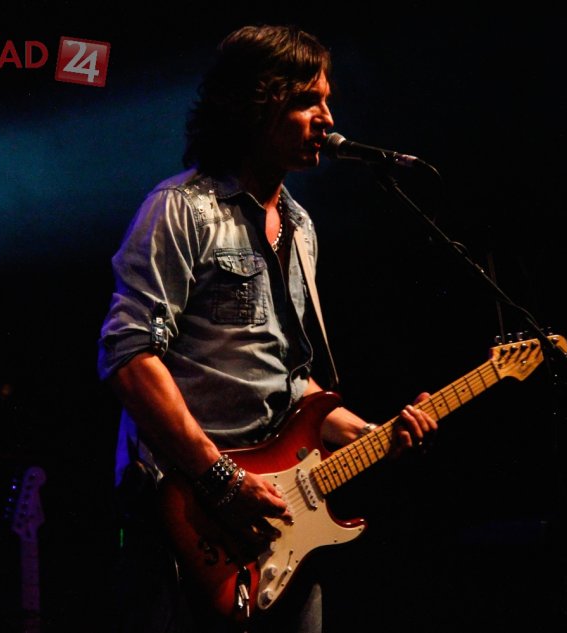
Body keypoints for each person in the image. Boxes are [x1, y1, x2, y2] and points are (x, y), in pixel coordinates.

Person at [97, 24, 436, 633]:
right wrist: (222, 479)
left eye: (326, 101)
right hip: (191, 516)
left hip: (279, 524)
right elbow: (130, 358)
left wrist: (375, 435)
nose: (328, 119)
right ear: (256, 104)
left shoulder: (302, 228)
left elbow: (290, 379)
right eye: (308, 101)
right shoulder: (181, 209)